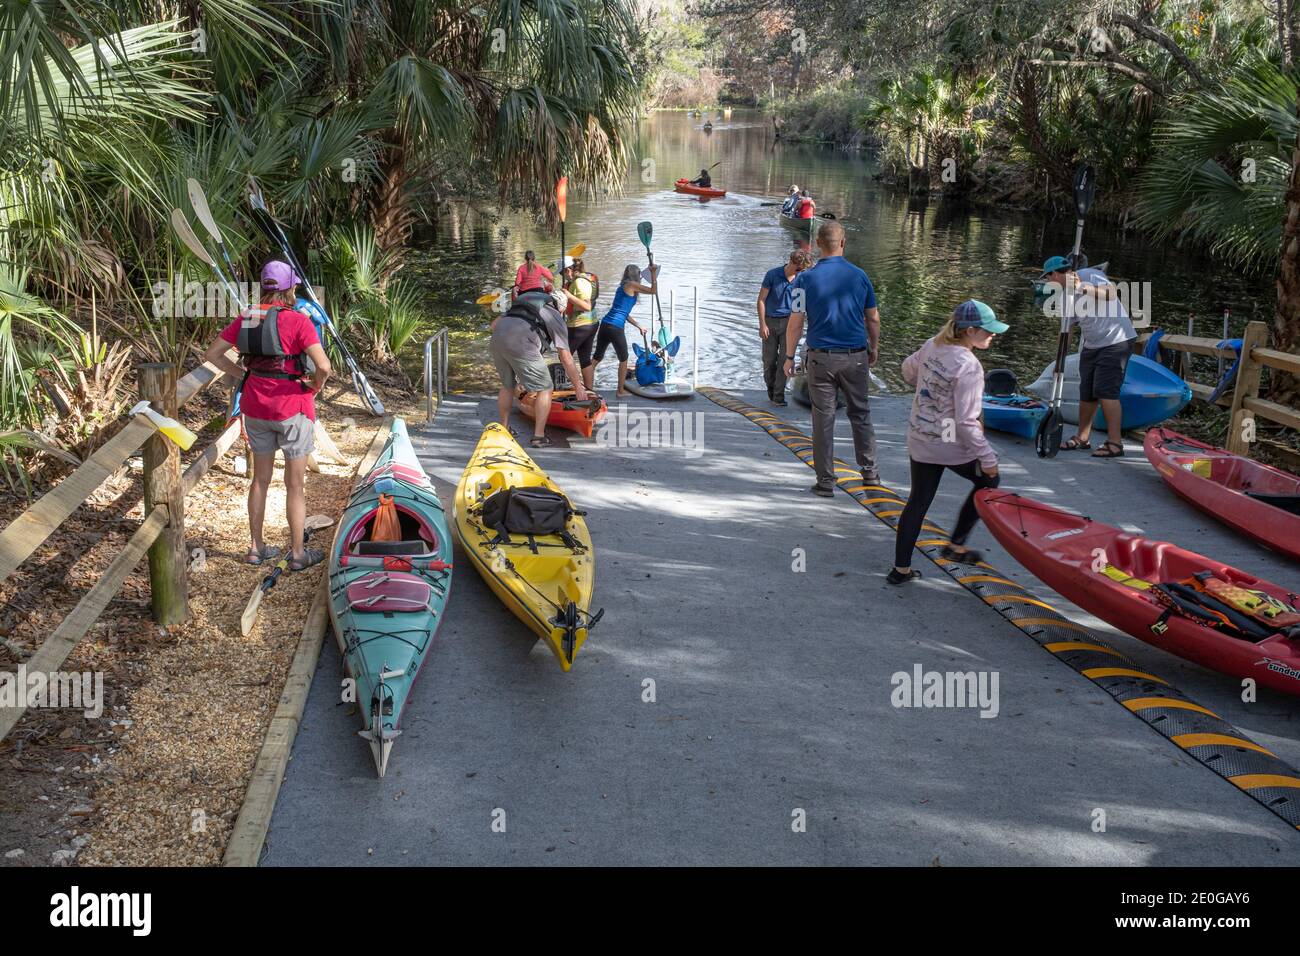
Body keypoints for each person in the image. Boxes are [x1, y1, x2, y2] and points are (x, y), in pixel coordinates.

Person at [202, 260, 332, 570]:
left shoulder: (248, 317)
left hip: (255, 407)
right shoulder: (298, 321)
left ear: (264, 287)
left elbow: (212, 354)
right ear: (291, 288)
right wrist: (314, 385)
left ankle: (256, 548)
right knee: (295, 485)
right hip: (292, 408)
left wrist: (244, 375)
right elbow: (324, 366)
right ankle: (298, 553)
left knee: (260, 481)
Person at [890, 300, 1007, 585]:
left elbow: (907, 371)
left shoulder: (933, 344)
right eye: (988, 331)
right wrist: (988, 460)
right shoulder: (969, 365)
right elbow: (966, 422)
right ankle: (956, 545)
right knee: (989, 481)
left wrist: (930, 386)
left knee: (918, 501)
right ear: (969, 331)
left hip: (921, 435)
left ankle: (900, 570)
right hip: (946, 437)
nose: (993, 335)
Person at [783, 220, 879, 496]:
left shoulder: (803, 279)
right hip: (855, 357)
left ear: (817, 245)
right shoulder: (860, 276)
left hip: (820, 359)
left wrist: (789, 357)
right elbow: (872, 317)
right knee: (860, 414)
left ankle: (825, 482)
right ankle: (870, 474)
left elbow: (795, 322)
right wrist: (873, 347)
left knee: (822, 419)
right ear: (843, 242)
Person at [1039, 254, 1136, 458]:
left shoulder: (1089, 274)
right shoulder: (1065, 296)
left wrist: (1082, 287)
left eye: (1048, 278)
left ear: (1055, 274)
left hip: (1116, 340)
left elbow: (1111, 293)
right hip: (1092, 345)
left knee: (1106, 391)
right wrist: (1060, 360)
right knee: (1087, 392)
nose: (1048, 282)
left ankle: (1115, 443)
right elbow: (1067, 330)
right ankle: (1082, 438)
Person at [490, 290, 588, 448]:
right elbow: (566, 357)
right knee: (545, 388)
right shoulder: (555, 315)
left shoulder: (522, 306)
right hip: (521, 345)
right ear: (560, 307)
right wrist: (578, 386)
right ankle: (539, 437)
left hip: (497, 340)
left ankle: (505, 428)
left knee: (507, 385)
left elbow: (493, 325)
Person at [758, 249, 813, 405]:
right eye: (798, 269)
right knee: (769, 360)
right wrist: (762, 324)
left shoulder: (802, 279)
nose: (800, 272)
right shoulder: (772, 275)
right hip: (770, 322)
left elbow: (804, 304)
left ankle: (778, 395)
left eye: (802, 270)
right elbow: (761, 300)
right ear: (791, 262)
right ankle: (771, 386)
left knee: (786, 359)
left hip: (790, 323)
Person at [591, 264, 654, 397]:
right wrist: (653, 273)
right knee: (624, 359)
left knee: (597, 358)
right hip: (615, 327)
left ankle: (586, 387)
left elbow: (623, 312)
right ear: (636, 275)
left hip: (605, 325)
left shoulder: (622, 287)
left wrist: (638, 325)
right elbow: (654, 290)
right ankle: (620, 391)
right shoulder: (632, 284)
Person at [558, 256, 598, 389]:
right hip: (590, 324)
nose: (562, 276)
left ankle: (574, 387)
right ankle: (589, 390)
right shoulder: (581, 279)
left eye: (562, 273)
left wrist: (568, 296)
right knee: (585, 359)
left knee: (564, 356)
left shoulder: (579, 282)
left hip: (580, 326)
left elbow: (587, 306)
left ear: (568, 270)